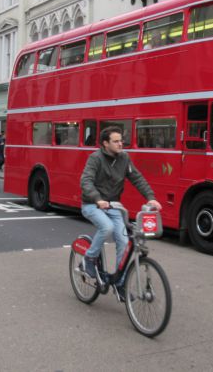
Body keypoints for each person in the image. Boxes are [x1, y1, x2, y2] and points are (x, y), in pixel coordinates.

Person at [80, 126, 162, 301]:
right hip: (92, 204)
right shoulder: (95, 158)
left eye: (121, 140)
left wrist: (150, 197)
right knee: (107, 227)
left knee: (124, 242)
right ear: (105, 143)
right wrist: (97, 199)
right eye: (116, 141)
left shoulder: (124, 158)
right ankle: (89, 257)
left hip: (114, 206)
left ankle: (120, 283)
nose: (120, 144)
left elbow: (137, 178)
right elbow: (86, 180)